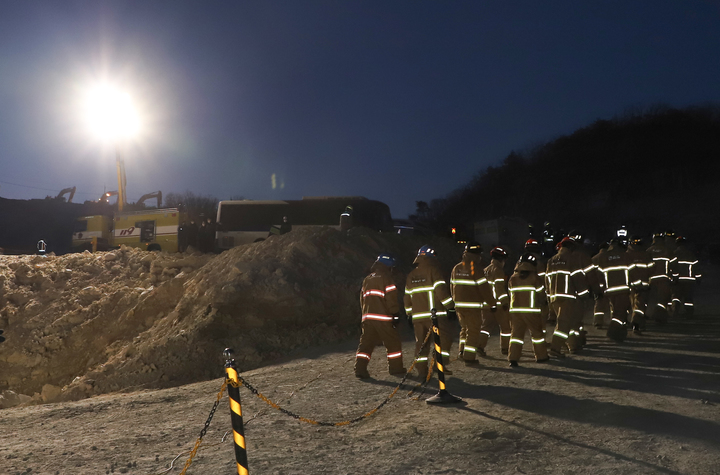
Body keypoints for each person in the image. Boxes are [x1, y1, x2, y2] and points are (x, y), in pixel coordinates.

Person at [404, 245, 455, 379]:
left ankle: (422, 371)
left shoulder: (411, 275)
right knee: (444, 340)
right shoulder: (434, 271)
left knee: (421, 344)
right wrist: (450, 307)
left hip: (418, 318)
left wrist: (409, 314)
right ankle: (439, 366)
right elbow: (441, 292)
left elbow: (407, 297)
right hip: (435, 315)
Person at [355, 254, 405, 379]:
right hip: (383, 318)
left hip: (367, 317)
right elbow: (391, 299)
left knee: (366, 344)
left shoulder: (367, 279)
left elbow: (362, 300)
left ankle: (360, 369)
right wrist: (395, 314)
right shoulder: (386, 279)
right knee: (392, 343)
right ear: (387, 266)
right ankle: (396, 368)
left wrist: (365, 315)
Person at [450, 241, 494, 365]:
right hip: (472, 306)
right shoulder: (476, 269)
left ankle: (461, 351)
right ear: (477, 255)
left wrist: (454, 301)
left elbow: (452, 286)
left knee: (464, 329)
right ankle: (469, 358)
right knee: (473, 331)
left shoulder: (456, 268)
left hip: (459, 306)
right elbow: (484, 289)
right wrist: (492, 304)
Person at [546, 238, 590, 357]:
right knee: (564, 324)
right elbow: (578, 279)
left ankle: (573, 346)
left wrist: (549, 297)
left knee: (568, 322)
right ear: (571, 247)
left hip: (554, 297)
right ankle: (555, 349)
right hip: (568, 297)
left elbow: (547, 281)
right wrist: (584, 294)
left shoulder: (551, 260)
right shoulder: (572, 259)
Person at [507, 253, 549, 367]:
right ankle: (541, 356)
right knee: (537, 335)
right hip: (531, 311)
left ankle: (513, 358)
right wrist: (544, 302)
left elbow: (510, 293)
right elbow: (541, 294)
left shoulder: (513, 278)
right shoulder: (535, 277)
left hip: (515, 311)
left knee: (516, 335)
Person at [595, 238, 632, 342]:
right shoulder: (626, 256)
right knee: (620, 312)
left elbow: (599, 275)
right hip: (623, 289)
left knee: (617, 310)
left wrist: (602, 288)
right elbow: (633, 272)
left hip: (609, 290)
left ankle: (621, 331)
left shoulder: (603, 257)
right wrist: (636, 285)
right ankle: (613, 332)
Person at [478, 247, 511, 356]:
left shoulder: (486, 270)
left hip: (486, 305)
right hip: (498, 305)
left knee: (485, 327)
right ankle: (505, 348)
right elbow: (499, 289)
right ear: (501, 259)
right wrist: (505, 302)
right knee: (505, 327)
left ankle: (480, 346)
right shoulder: (498, 270)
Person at [627, 235, 652, 333]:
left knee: (633, 304)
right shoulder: (646, 255)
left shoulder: (626, 255)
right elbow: (651, 269)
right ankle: (636, 323)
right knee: (640, 305)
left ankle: (635, 322)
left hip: (630, 285)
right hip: (643, 285)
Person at [670, 236, 701, 319]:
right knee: (688, 298)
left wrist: (674, 277)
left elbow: (672, 267)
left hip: (678, 281)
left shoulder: (674, 254)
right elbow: (696, 268)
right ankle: (689, 313)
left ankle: (675, 313)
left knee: (676, 297)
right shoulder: (690, 254)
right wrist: (698, 278)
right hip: (689, 281)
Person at [647, 232, 673, 324]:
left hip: (651, 279)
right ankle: (661, 316)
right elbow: (673, 265)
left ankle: (649, 314)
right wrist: (674, 277)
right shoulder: (667, 250)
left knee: (651, 299)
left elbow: (645, 266)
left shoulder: (649, 251)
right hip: (664, 279)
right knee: (662, 299)